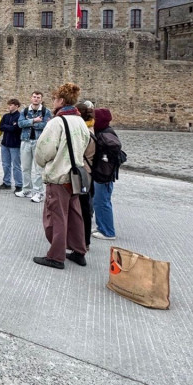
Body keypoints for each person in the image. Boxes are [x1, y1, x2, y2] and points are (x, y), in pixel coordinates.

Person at [32, 83, 92, 269]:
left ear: (61, 101)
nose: (53, 101)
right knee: (75, 215)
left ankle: (56, 256)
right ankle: (79, 251)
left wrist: (44, 164)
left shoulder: (57, 122)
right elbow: (85, 143)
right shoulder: (81, 122)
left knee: (56, 216)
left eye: (55, 98)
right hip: (75, 176)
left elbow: (44, 151)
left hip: (59, 175)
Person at [90, 108, 122, 240]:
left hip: (103, 173)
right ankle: (101, 226)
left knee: (102, 201)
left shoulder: (105, 134)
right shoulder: (104, 132)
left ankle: (108, 231)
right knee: (99, 200)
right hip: (104, 172)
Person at [16, 91, 52, 203]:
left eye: (38, 97)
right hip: (26, 140)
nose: (36, 99)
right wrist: (34, 120)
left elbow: (46, 125)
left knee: (38, 169)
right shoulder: (25, 110)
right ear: (31, 98)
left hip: (38, 142)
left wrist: (29, 123)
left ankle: (38, 192)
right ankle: (26, 190)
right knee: (25, 167)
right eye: (34, 97)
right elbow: (20, 124)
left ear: (41, 99)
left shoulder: (46, 111)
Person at [75, 101, 96, 246]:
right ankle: (84, 241)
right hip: (88, 172)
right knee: (85, 207)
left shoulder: (84, 133)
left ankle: (83, 242)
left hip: (83, 173)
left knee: (82, 208)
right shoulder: (92, 129)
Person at [0, 99, 22, 192]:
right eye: (9, 105)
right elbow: (1, 127)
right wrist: (10, 126)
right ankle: (6, 182)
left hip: (15, 145)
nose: (9, 106)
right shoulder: (6, 116)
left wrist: (8, 127)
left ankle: (19, 185)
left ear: (17, 106)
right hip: (5, 144)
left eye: (11, 105)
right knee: (5, 164)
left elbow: (16, 129)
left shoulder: (20, 116)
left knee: (16, 166)